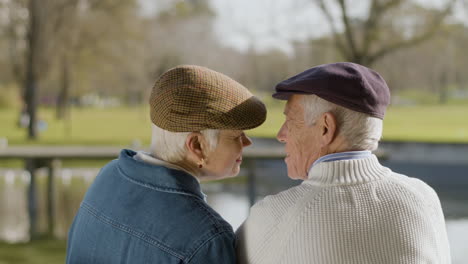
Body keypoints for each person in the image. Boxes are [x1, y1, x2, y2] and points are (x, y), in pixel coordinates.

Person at [236, 62, 451, 264]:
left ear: (325, 128)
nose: (281, 134)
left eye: (291, 121)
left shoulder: (273, 216)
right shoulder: (423, 197)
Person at [66, 65, 267, 264]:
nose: (247, 143)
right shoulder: (206, 238)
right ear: (197, 145)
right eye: (237, 136)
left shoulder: (108, 176)